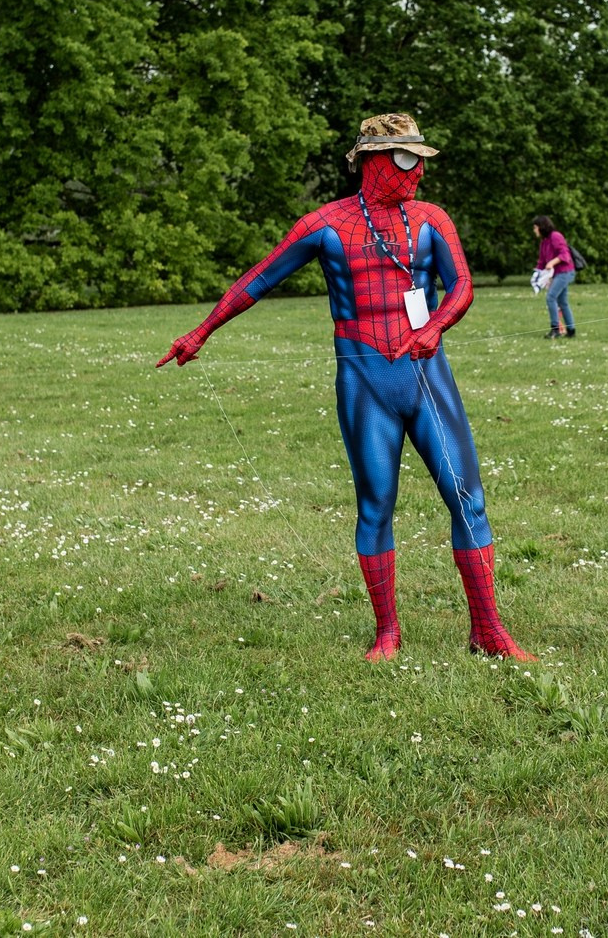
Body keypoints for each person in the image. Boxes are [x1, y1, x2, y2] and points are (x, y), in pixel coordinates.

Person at [157, 113, 533, 663]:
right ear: (372, 161)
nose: (416, 174)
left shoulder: (431, 220)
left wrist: (435, 325)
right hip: (363, 378)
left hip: (428, 373)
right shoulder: (326, 226)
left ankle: (489, 630)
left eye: (420, 162)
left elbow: (462, 285)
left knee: (466, 497)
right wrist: (201, 331)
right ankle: (387, 632)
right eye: (406, 160)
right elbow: (258, 279)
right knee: (375, 503)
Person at [531, 215, 575, 340]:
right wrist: (537, 276)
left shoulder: (555, 236)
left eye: (535, 227)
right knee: (563, 302)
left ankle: (555, 329)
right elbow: (541, 262)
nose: (534, 230)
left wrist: (552, 262)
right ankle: (571, 330)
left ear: (541, 227)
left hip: (565, 272)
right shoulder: (544, 241)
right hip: (557, 274)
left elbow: (565, 254)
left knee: (551, 297)